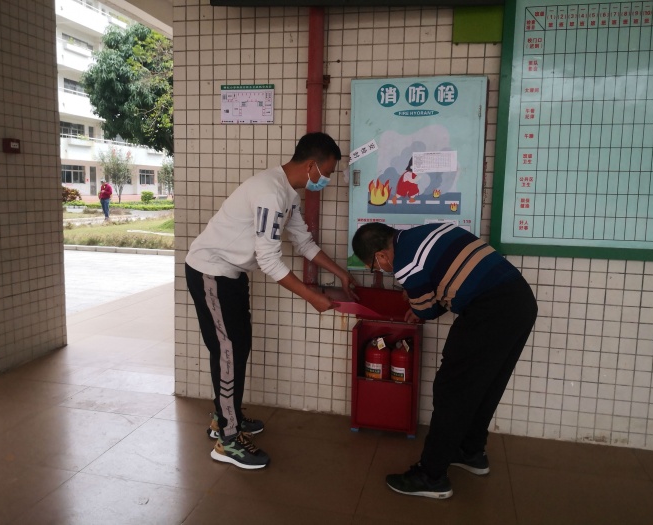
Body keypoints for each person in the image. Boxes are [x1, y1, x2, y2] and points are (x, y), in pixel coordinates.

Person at [185, 132, 358, 470]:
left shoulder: (287, 193)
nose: (326, 180)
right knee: (228, 351)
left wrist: (340, 274)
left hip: (232, 274)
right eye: (326, 172)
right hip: (210, 272)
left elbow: (304, 243)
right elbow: (268, 260)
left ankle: (226, 417)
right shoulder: (270, 193)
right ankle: (227, 440)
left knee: (238, 348)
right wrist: (311, 297)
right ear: (311, 165)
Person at [351, 222, 537, 499]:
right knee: (486, 385)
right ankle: (470, 451)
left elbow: (426, 310)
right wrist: (420, 299)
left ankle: (431, 475)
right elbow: (438, 288)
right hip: (520, 302)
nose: (381, 270)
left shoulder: (404, 262)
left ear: (381, 256)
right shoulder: (424, 233)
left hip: (490, 310)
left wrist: (417, 302)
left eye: (375, 267)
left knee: (451, 389)